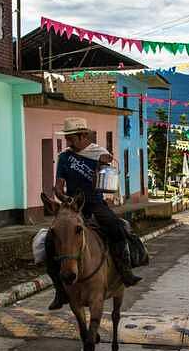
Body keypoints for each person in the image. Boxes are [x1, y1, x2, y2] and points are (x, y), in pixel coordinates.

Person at [45, 117, 141, 311]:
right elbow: (58, 188)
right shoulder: (64, 157)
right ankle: (59, 289)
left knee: (116, 227)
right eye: (67, 138)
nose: (68, 142)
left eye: (71, 138)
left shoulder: (100, 154)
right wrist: (65, 199)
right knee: (49, 240)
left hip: (95, 203)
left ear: (82, 136)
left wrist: (103, 165)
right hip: (72, 206)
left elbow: (107, 183)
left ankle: (124, 271)